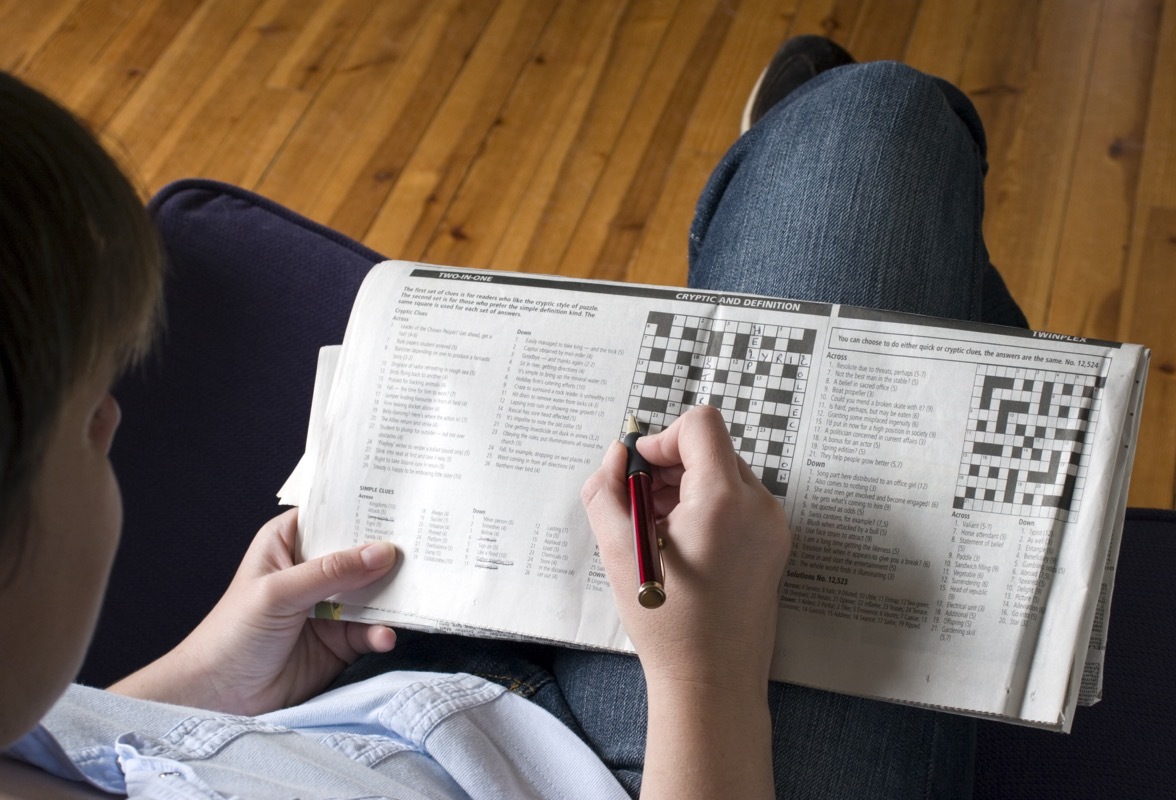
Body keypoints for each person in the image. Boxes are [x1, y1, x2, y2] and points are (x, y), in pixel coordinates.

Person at [0, 34, 1024, 798]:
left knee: (863, 162)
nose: (110, 421)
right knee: (875, 124)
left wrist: (204, 677)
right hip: (676, 754)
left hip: (384, 694)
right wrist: (708, 672)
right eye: (80, 414)